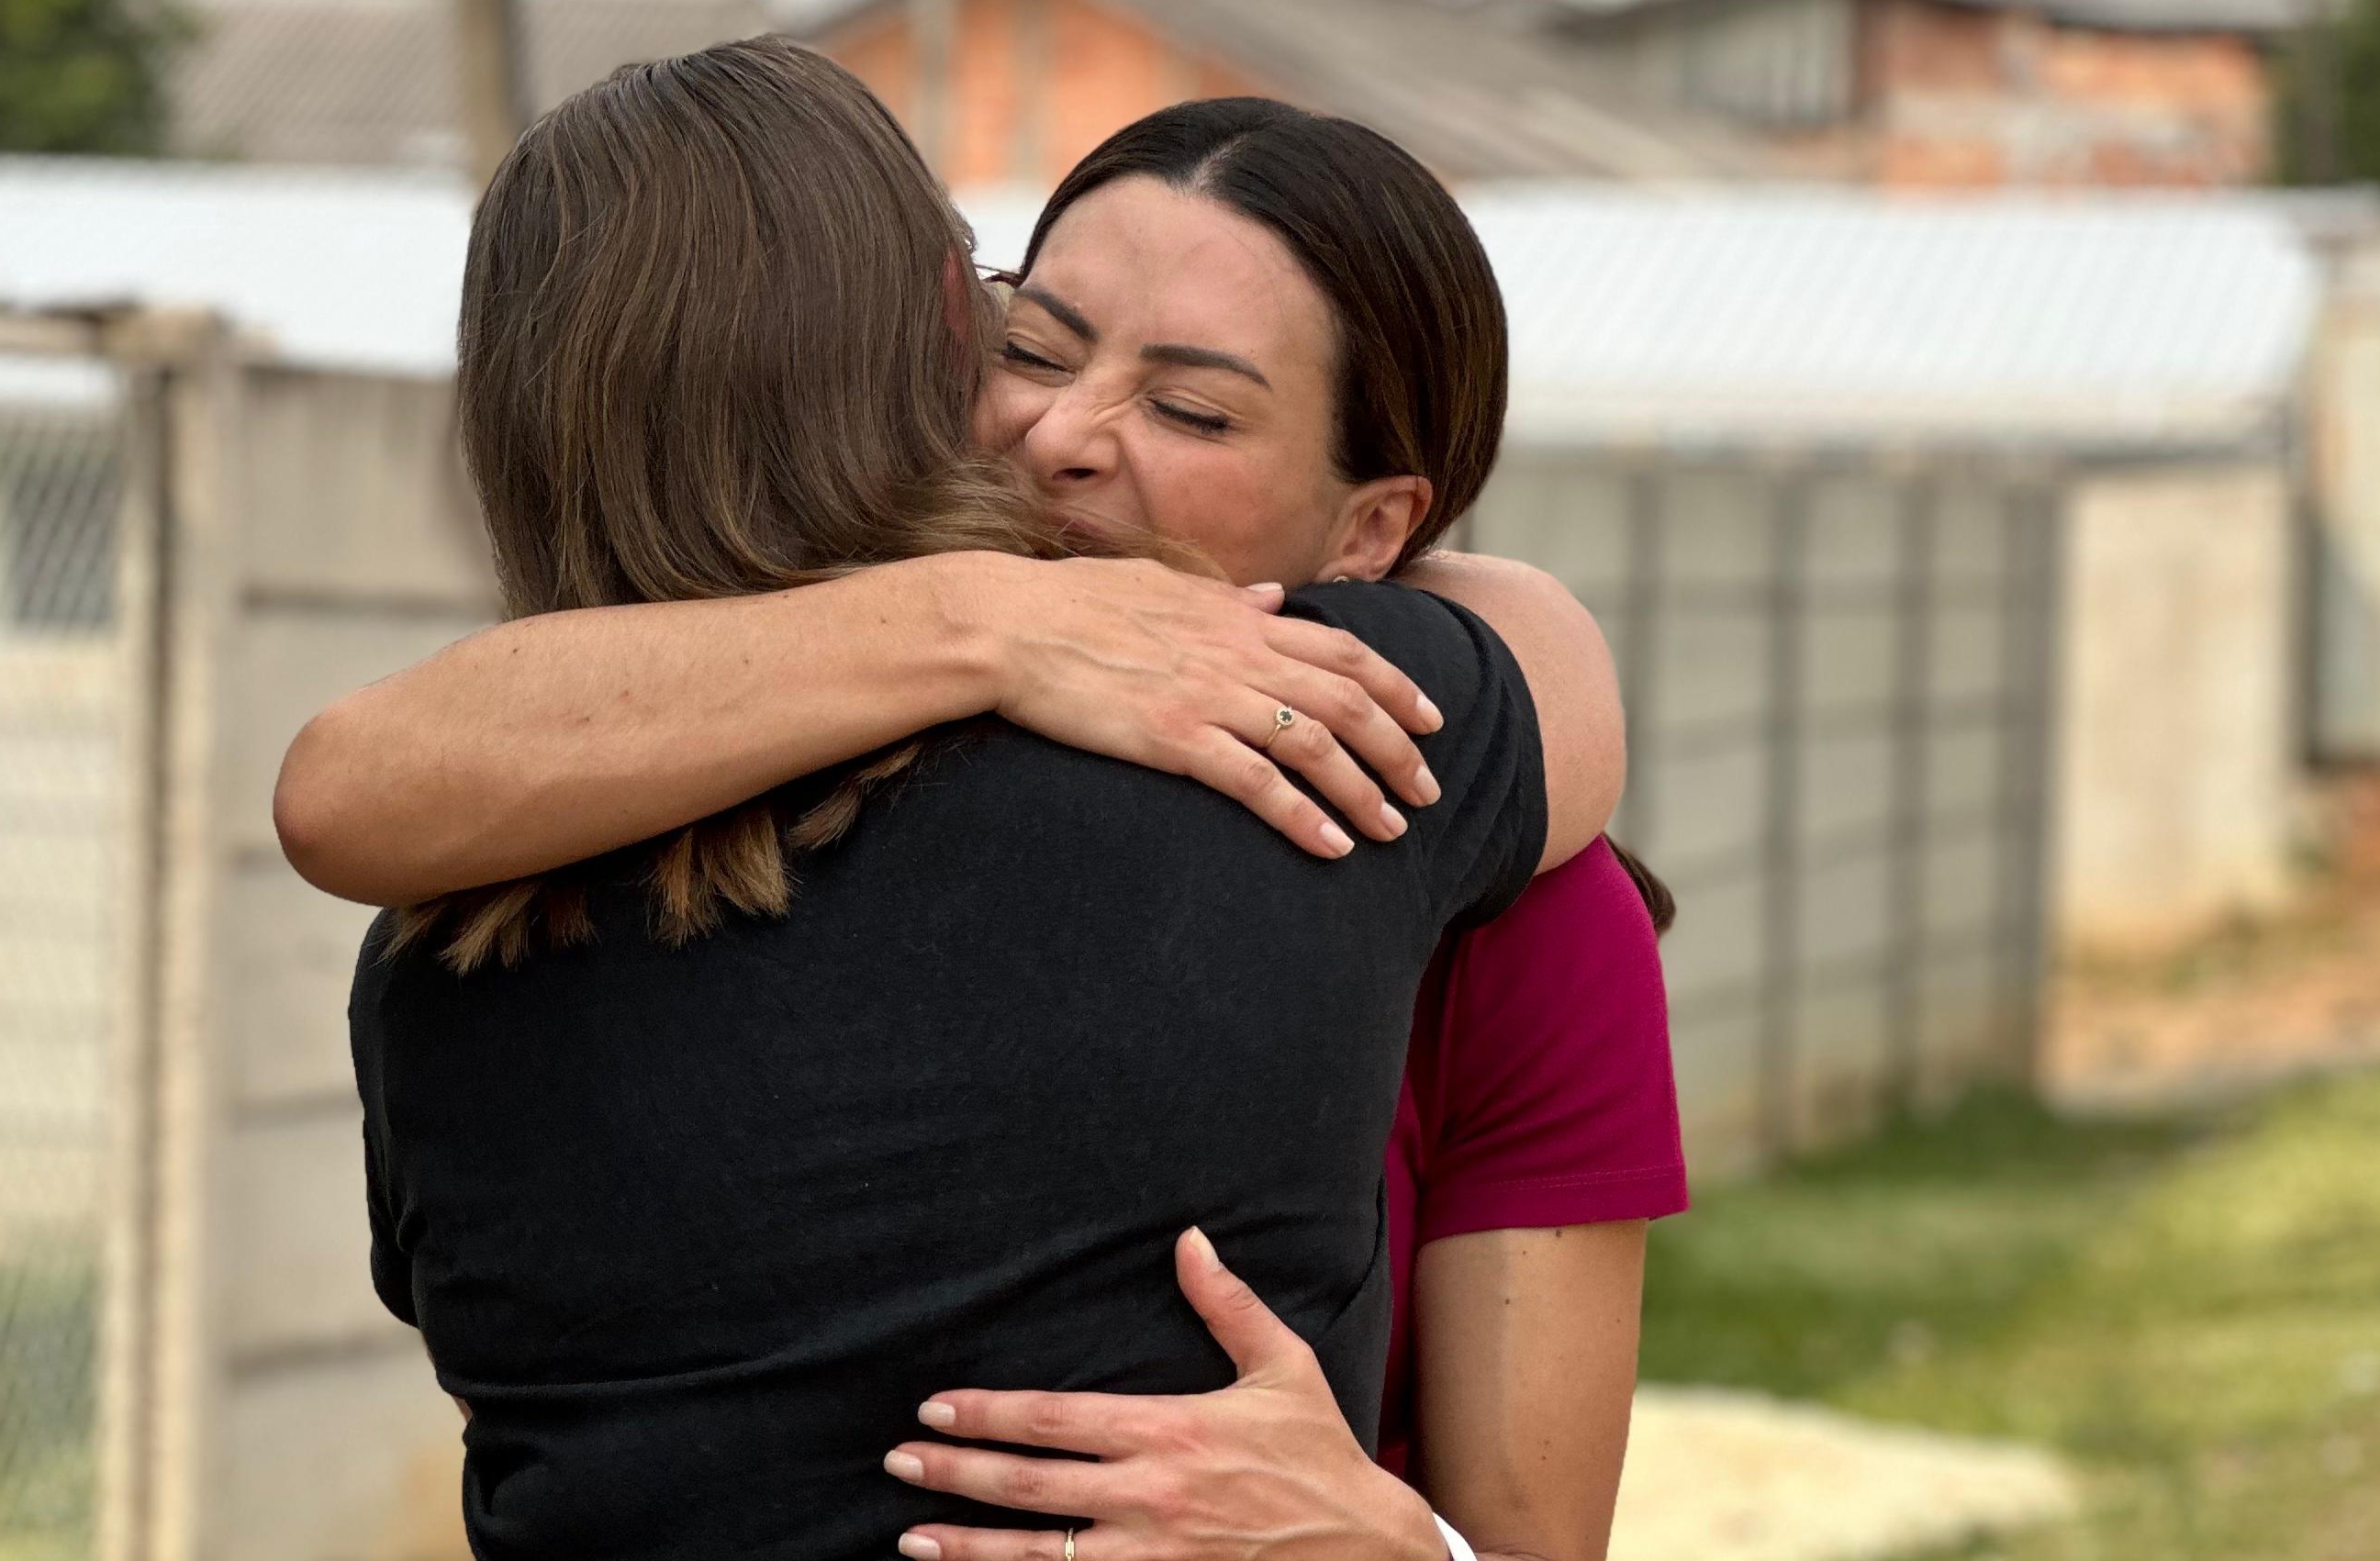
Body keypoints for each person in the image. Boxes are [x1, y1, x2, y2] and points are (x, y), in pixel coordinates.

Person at [336, 41, 1629, 1561]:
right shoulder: (1308, 766)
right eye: (1035, 341)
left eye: (1196, 412)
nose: (1066, 436)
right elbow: (1552, 662)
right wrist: (989, 619)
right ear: (948, 334)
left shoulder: (435, 953)